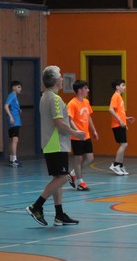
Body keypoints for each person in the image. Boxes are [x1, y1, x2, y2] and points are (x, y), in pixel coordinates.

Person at [25, 65, 86, 226]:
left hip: (50, 143)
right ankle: (36, 206)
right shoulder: (55, 99)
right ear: (54, 80)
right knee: (64, 177)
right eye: (60, 76)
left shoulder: (45, 96)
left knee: (57, 178)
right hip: (56, 143)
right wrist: (76, 133)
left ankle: (59, 215)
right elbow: (59, 123)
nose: (62, 78)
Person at [67, 80, 98, 191]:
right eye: (86, 88)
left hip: (86, 135)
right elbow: (70, 119)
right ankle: (80, 182)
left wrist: (94, 130)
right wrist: (77, 131)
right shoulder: (72, 103)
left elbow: (89, 117)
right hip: (77, 136)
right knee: (78, 159)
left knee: (90, 158)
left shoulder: (86, 102)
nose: (88, 90)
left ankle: (72, 174)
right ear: (80, 90)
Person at [108, 78, 135, 175]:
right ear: (117, 87)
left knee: (123, 145)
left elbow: (119, 112)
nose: (124, 87)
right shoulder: (115, 96)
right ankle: (115, 165)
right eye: (122, 85)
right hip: (117, 125)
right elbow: (110, 109)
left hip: (121, 124)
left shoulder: (119, 97)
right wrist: (120, 120)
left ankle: (120, 165)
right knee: (124, 144)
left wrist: (126, 118)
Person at [4, 80, 23, 167]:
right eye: (18, 87)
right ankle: (14, 160)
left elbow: (13, 106)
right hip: (14, 121)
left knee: (12, 139)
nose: (20, 89)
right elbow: (6, 106)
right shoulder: (12, 95)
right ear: (13, 87)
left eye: (20, 87)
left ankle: (11, 159)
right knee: (15, 139)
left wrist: (19, 110)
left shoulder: (14, 96)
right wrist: (11, 116)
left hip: (16, 120)